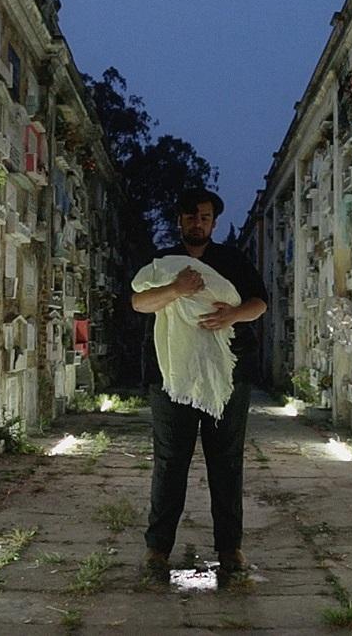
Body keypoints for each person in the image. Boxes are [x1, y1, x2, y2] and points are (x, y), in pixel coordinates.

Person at [130, 188, 268, 583]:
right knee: (170, 461)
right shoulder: (163, 263)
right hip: (171, 377)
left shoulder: (230, 260)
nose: (197, 223)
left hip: (227, 377)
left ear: (213, 222)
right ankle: (158, 549)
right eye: (190, 217)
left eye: (205, 217)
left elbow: (260, 302)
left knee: (226, 462)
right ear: (180, 221)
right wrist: (176, 289)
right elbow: (139, 302)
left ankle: (230, 548)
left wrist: (233, 315)